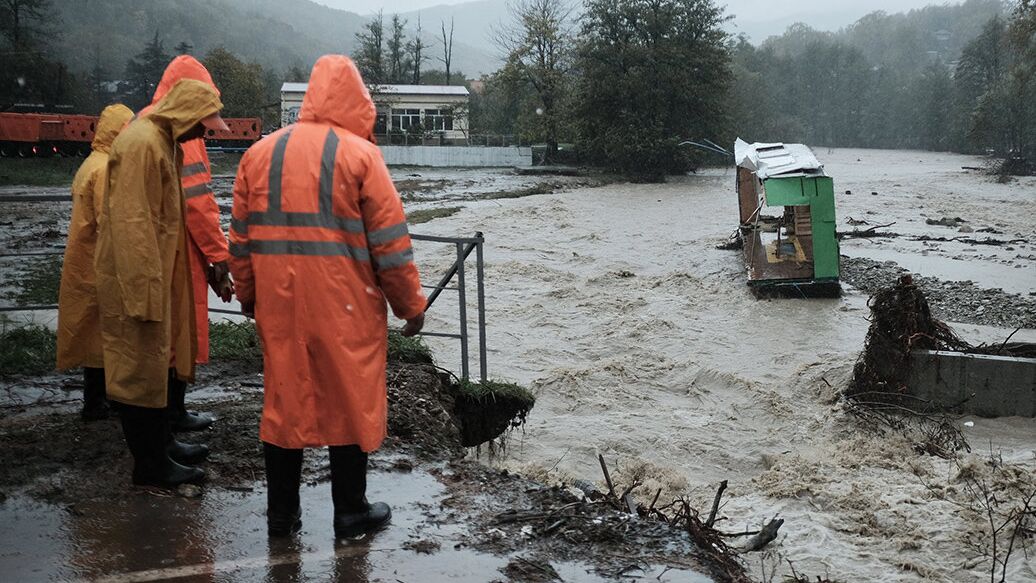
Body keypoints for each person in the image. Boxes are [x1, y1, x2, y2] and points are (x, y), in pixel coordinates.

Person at [229, 55, 426, 538]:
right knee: (349, 398)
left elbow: (241, 240)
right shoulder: (360, 157)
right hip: (346, 306)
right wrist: (410, 306)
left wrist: (249, 296)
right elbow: (391, 246)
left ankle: (282, 517)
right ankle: (350, 511)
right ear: (357, 101)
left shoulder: (259, 154)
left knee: (283, 403)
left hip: (279, 303)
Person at [95, 78, 228, 488]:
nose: (205, 133)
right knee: (138, 371)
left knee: (155, 367)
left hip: (154, 278)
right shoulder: (143, 145)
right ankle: (149, 464)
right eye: (203, 125)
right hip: (138, 282)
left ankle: (161, 446)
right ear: (185, 114)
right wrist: (145, 293)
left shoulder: (162, 141)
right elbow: (133, 224)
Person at [139, 55, 233, 433]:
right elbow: (198, 202)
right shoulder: (181, 134)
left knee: (163, 332)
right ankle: (170, 415)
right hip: (178, 248)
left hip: (160, 244)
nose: (204, 131)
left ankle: (163, 416)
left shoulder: (147, 121)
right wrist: (219, 257)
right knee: (180, 331)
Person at [56, 103, 134, 421]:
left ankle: (97, 399)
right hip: (98, 263)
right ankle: (98, 402)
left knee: (93, 333)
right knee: (105, 334)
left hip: (83, 261)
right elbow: (110, 220)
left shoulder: (91, 163)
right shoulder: (106, 169)